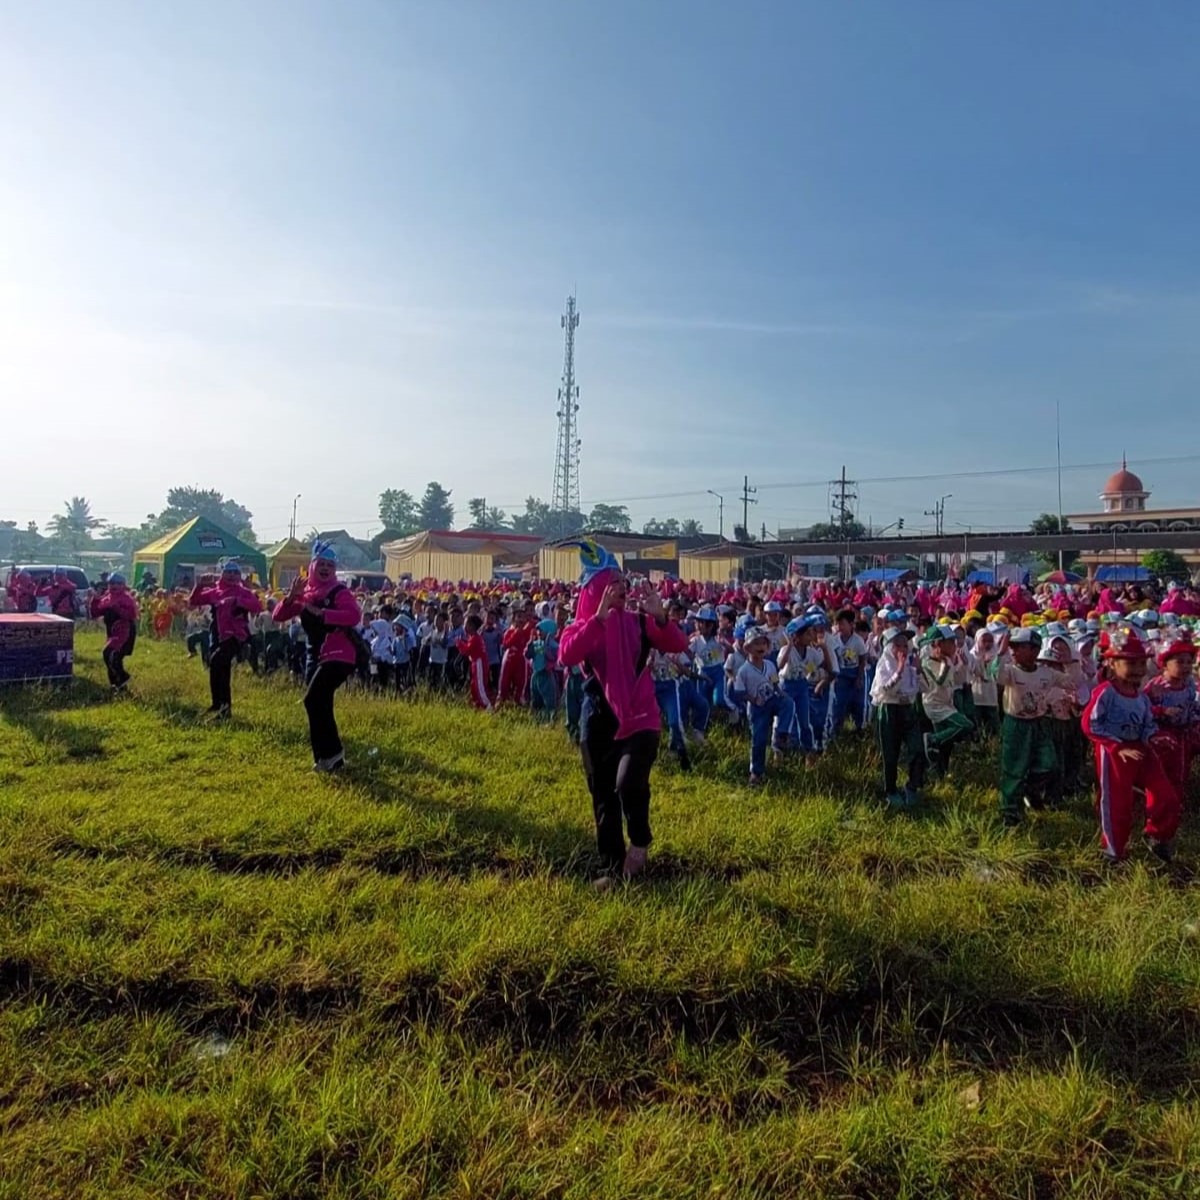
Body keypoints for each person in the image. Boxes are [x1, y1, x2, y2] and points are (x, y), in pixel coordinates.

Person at [557, 540, 687, 881]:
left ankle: (640, 841)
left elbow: (677, 644)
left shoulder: (639, 623)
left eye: (620, 586)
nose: (618, 593)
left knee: (628, 783)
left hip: (640, 717)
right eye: (608, 587)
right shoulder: (583, 626)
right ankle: (612, 868)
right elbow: (567, 655)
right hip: (597, 717)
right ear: (592, 592)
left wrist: (660, 615)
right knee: (602, 794)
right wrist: (598, 620)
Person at [1081, 625, 1179, 863]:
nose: (1138, 670)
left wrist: (1154, 737)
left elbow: (1147, 724)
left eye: (1141, 664)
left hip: (1140, 750)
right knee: (1117, 803)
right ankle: (1113, 851)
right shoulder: (1106, 693)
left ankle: (1158, 836)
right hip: (1114, 752)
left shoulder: (1141, 697)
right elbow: (1090, 724)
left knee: (1166, 795)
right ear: (1113, 664)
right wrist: (1117, 747)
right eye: (1130, 663)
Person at [272, 540, 363, 772]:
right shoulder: (306, 594)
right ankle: (325, 760)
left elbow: (353, 615)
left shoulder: (339, 591)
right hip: (315, 654)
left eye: (329, 565)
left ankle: (333, 754)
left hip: (339, 653)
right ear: (312, 566)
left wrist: (323, 613)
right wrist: (291, 598)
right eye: (321, 564)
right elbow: (277, 617)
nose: (325, 568)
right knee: (319, 704)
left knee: (312, 700)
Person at [188, 561, 263, 720]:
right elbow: (194, 601)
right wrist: (199, 585)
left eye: (235, 573)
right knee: (218, 668)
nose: (232, 575)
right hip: (217, 633)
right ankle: (220, 706)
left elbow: (257, 606)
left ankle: (223, 708)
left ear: (239, 575)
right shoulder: (215, 591)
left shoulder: (243, 592)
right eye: (228, 572)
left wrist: (237, 601)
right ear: (222, 573)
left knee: (216, 661)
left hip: (236, 635)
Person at [870, 626, 924, 809]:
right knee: (890, 753)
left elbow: (917, 690)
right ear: (888, 648)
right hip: (889, 710)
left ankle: (912, 786)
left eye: (905, 645)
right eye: (897, 645)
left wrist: (917, 672)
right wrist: (899, 671)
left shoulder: (910, 665)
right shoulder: (884, 666)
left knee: (917, 748)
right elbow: (884, 690)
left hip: (907, 709)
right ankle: (890, 790)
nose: (903, 649)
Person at [737, 627, 795, 786]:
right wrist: (753, 699)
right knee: (759, 740)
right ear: (748, 647)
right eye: (756, 643)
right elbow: (739, 691)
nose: (761, 646)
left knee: (788, 703)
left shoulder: (769, 664)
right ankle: (756, 773)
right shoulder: (744, 671)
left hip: (771, 700)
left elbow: (775, 681)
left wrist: (779, 692)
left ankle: (781, 734)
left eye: (763, 642)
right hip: (757, 708)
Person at [89, 573, 139, 691]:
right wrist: (94, 600)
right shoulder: (106, 598)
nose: (115, 586)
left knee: (111, 654)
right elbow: (95, 613)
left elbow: (131, 615)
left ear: (123, 585)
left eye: (118, 584)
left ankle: (122, 678)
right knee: (109, 657)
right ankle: (116, 685)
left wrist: (117, 608)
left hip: (125, 632)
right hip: (112, 633)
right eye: (112, 583)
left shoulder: (126, 599)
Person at [460, 614, 495, 710]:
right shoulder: (473, 637)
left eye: (466, 624)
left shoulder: (475, 638)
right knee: (474, 684)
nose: (464, 626)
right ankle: (477, 703)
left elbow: (467, 651)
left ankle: (487, 705)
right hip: (476, 663)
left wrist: (459, 643)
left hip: (479, 663)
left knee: (480, 685)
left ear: (472, 626)